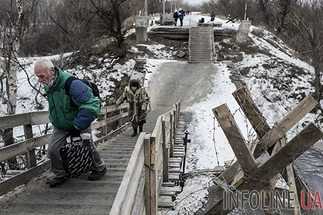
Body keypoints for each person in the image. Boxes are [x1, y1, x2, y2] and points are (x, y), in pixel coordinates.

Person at [34, 59, 107, 187]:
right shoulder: (49, 84)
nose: (39, 80)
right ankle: (60, 174)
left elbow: (92, 104)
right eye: (37, 76)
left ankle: (100, 167)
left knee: (87, 147)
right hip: (61, 125)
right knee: (53, 150)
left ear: (51, 71)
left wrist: (78, 125)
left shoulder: (72, 84)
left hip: (78, 122)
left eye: (41, 76)